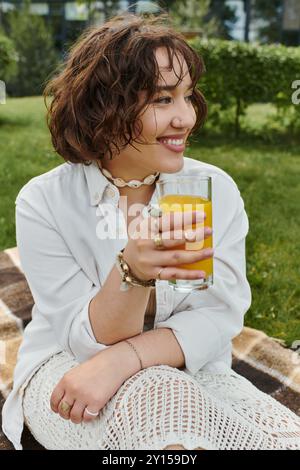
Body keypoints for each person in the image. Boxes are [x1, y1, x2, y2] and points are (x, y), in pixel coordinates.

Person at [2, 12, 300, 451]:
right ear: (103, 106)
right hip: (72, 371)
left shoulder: (210, 190)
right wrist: (133, 271)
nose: (186, 118)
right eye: (163, 100)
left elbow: (218, 313)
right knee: (163, 406)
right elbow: (85, 340)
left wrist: (128, 358)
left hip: (192, 369)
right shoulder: (45, 201)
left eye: (187, 96)